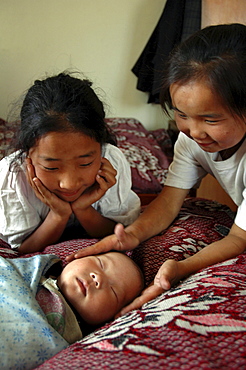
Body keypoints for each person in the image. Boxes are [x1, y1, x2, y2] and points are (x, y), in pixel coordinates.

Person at [67, 23, 246, 316]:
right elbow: (168, 201)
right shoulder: (190, 139)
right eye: (181, 114)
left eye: (210, 119)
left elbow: (239, 239)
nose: (194, 131)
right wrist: (133, 235)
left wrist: (183, 268)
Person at [0, 73, 140, 253]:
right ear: (28, 154)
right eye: (51, 167)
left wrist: (83, 209)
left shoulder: (111, 161)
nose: (69, 184)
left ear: (101, 148)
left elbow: (118, 233)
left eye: (85, 163)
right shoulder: (12, 176)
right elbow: (24, 249)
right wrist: (58, 215)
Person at [1, 251, 144, 348]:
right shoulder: (37, 269)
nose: (98, 278)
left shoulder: (78, 344)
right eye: (100, 264)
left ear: (114, 318)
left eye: (114, 292)